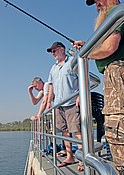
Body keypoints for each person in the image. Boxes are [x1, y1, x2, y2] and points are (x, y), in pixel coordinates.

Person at [73, 0, 124, 175]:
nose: (97, 5)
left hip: (120, 72)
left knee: (122, 132)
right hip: (115, 75)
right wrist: (88, 45)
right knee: (116, 131)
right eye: (95, 1)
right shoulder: (115, 15)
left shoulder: (118, 13)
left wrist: (86, 53)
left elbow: (109, 48)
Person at [46, 41, 83, 170]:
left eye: (54, 50)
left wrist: (79, 96)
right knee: (65, 132)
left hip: (72, 102)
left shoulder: (73, 61)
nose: (52, 53)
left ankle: (83, 159)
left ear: (62, 49)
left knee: (77, 130)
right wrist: (50, 102)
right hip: (58, 104)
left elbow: (82, 78)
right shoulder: (53, 68)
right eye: (51, 52)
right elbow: (51, 85)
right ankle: (70, 156)